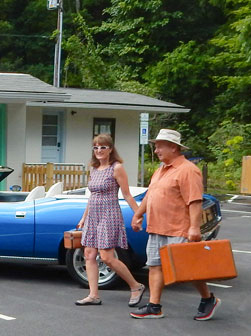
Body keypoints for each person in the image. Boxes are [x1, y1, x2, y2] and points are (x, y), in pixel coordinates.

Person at [129, 129, 220, 320]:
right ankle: (154, 306)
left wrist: (194, 228)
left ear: (173, 147)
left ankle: (208, 298)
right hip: (156, 227)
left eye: (159, 146)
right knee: (155, 266)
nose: (156, 151)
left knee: (186, 269)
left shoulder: (188, 170)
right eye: (155, 146)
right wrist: (138, 214)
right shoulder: (161, 170)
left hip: (178, 228)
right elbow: (150, 194)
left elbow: (194, 200)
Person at [74, 134, 146, 307]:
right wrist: (84, 217)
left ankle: (136, 286)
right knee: (89, 254)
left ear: (110, 149)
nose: (99, 150)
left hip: (109, 214)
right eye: (96, 147)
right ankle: (93, 295)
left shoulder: (116, 168)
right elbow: (92, 196)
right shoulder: (93, 169)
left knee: (106, 256)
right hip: (93, 215)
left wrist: (138, 215)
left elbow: (127, 194)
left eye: (103, 147)